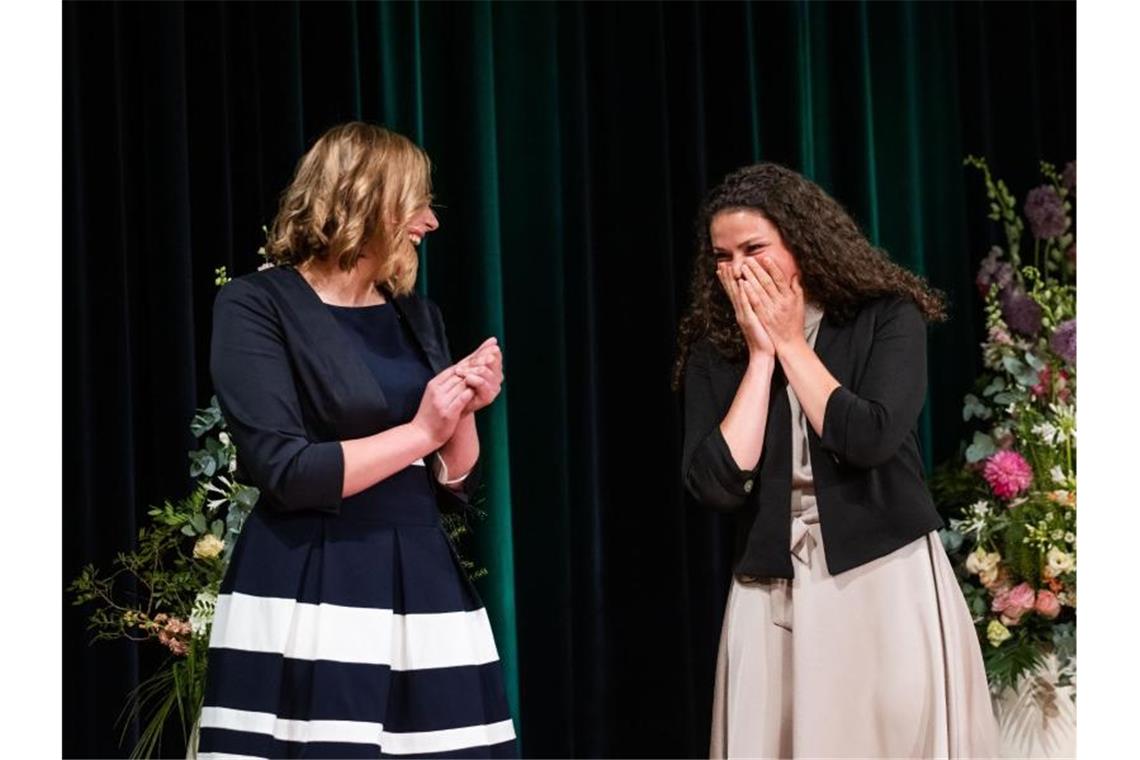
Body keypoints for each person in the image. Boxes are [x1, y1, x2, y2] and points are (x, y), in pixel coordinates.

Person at [197, 122, 517, 758]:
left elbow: (452, 483)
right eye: (416, 203)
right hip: (312, 578)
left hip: (420, 580)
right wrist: (423, 428)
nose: (429, 221)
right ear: (364, 202)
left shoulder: (414, 313)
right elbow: (287, 470)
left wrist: (465, 410)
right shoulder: (257, 306)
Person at [675, 163, 999, 759]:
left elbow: (868, 439)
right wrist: (760, 358)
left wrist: (793, 344)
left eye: (754, 248)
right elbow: (717, 485)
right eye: (722, 257)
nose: (738, 270)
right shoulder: (715, 348)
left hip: (881, 576)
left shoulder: (886, 316)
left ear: (800, 242)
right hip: (771, 589)